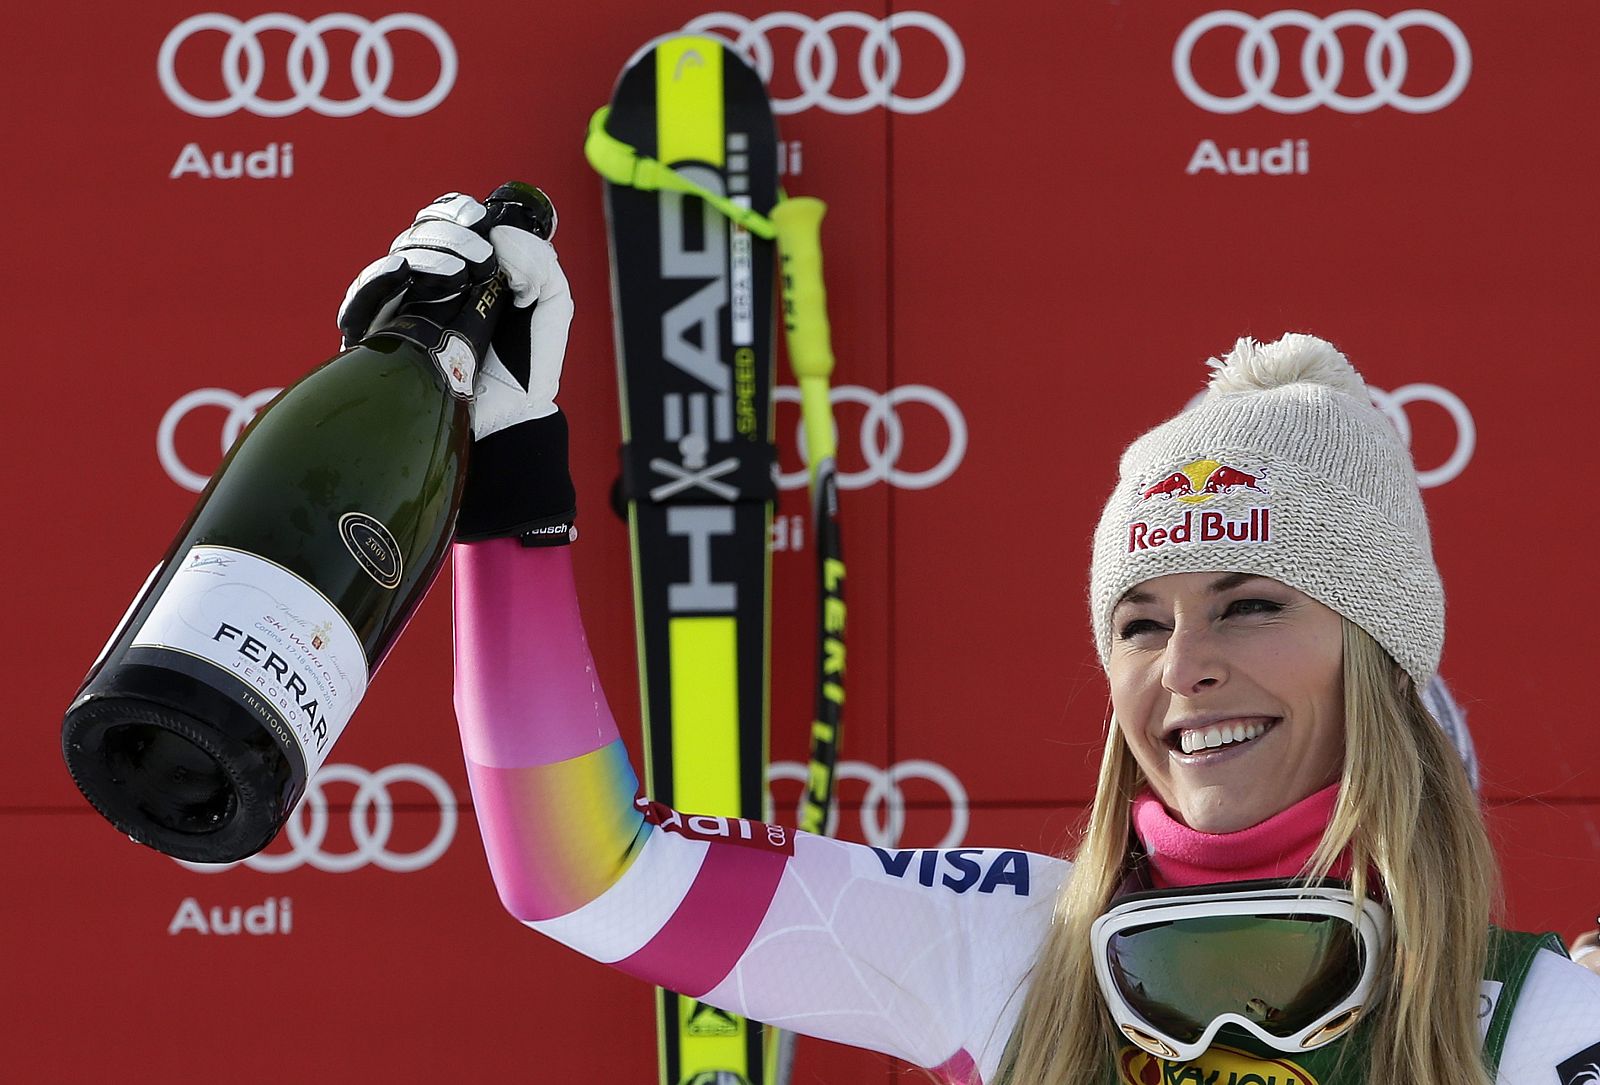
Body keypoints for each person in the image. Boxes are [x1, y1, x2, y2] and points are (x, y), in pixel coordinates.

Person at [339, 194, 1600, 1084]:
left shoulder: (1547, 1025)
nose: (1182, 667)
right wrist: (507, 489)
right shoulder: (1006, 949)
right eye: (1139, 622)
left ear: (1378, 653)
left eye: (1250, 602)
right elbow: (589, 871)